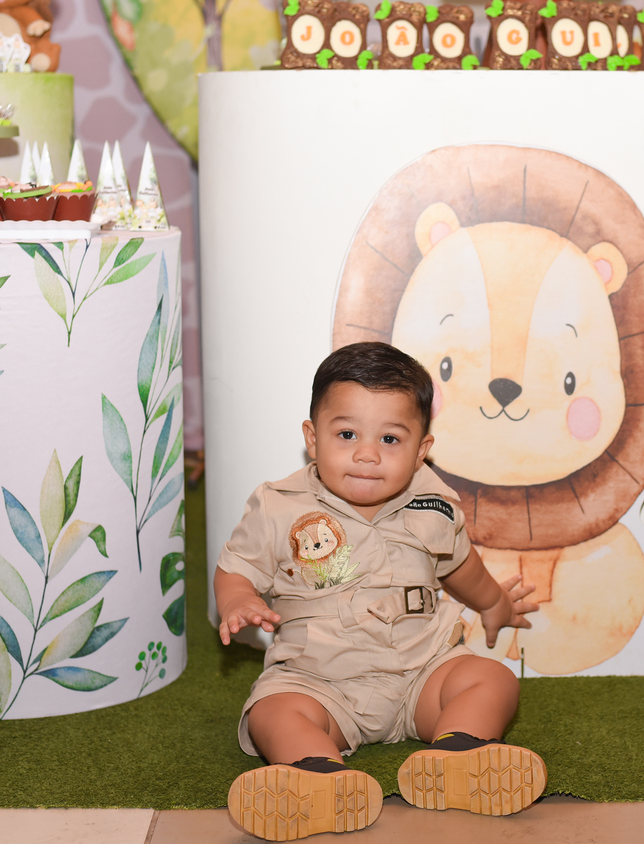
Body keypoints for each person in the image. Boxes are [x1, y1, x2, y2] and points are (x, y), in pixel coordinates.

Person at [215, 341, 545, 841]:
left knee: (491, 678)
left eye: (390, 439)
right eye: (347, 434)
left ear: (421, 450)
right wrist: (238, 598)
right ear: (312, 438)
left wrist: (494, 602)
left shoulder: (434, 504)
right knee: (273, 711)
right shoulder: (278, 506)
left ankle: (459, 751)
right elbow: (235, 569)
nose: (367, 454)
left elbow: (461, 566)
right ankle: (317, 773)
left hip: (422, 675)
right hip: (320, 682)